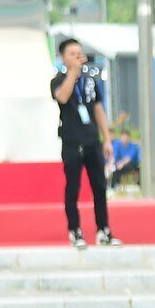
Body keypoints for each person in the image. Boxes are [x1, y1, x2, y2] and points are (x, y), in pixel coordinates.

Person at [51, 37, 117, 248]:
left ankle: (103, 230)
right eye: (72, 54)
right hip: (72, 142)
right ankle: (75, 231)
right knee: (73, 188)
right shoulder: (58, 79)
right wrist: (72, 73)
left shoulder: (90, 80)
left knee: (99, 186)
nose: (78, 57)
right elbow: (62, 97)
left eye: (80, 53)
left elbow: (98, 108)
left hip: (92, 141)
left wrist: (106, 138)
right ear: (63, 57)